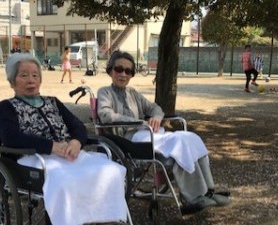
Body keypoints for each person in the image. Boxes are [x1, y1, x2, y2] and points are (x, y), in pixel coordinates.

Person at [0, 53, 142, 225]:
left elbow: (78, 126)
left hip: (68, 153)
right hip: (34, 157)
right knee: (64, 179)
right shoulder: (6, 107)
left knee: (112, 170)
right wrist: (50, 146)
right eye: (24, 75)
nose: (31, 80)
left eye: (35, 75)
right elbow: (10, 137)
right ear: (12, 81)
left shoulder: (53, 102)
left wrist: (76, 142)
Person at [96, 50, 231, 213]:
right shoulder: (105, 92)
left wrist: (157, 117)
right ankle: (194, 196)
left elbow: (155, 108)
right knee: (179, 145)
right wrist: (139, 122)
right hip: (128, 139)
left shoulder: (133, 93)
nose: (123, 74)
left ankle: (208, 190)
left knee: (190, 138)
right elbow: (106, 115)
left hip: (146, 134)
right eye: (119, 69)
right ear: (110, 71)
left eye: (128, 71)